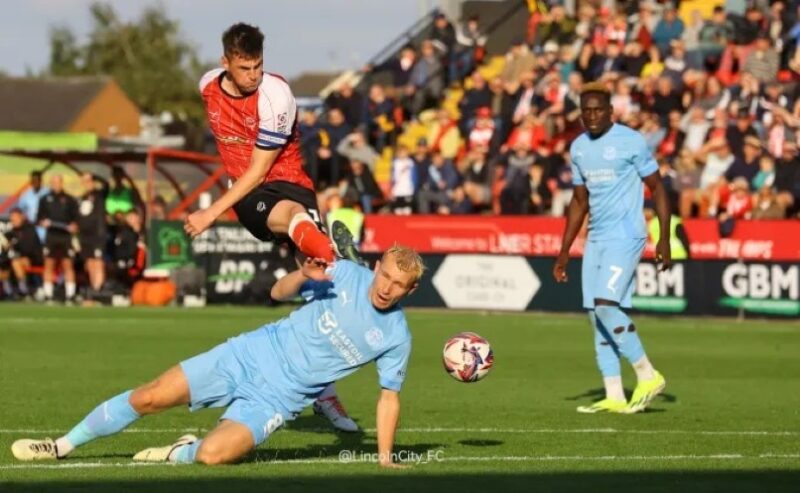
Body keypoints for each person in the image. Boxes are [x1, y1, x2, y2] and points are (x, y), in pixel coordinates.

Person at [11, 246, 424, 468]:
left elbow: (389, 397)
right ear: (375, 266)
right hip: (245, 355)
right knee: (149, 397)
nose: (386, 287)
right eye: (385, 275)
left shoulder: (395, 336)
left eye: (398, 284)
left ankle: (182, 451)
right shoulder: (345, 274)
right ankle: (61, 445)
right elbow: (277, 294)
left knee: (214, 456)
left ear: (410, 291)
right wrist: (302, 276)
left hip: (279, 400)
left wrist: (385, 460)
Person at [188, 23, 363, 430]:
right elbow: (250, 177)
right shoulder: (207, 86)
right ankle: (340, 260)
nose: (253, 75)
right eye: (245, 67)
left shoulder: (276, 96)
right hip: (250, 193)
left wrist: (209, 212)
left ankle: (324, 393)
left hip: (286, 180)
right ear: (225, 63)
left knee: (322, 297)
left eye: (259, 66)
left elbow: (263, 167)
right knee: (298, 223)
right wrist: (217, 210)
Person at [553, 82, 671, 414]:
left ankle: (648, 374)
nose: (591, 115)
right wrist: (564, 251)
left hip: (626, 234)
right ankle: (615, 394)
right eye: (585, 110)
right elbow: (579, 202)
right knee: (595, 314)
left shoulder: (631, 141)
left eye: (597, 109)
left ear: (610, 111)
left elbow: (658, 187)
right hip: (597, 238)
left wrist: (662, 237)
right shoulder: (577, 148)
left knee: (606, 304)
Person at [37, 175, 79, 303]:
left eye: (58, 182)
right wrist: (42, 223)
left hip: (65, 237)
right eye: (53, 182)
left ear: (62, 183)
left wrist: (74, 226)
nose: (56, 184)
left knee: (68, 264)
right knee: (49, 263)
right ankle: (48, 294)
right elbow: (39, 218)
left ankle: (70, 294)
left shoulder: (69, 200)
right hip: (51, 236)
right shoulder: (45, 199)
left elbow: (76, 219)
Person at [77, 172, 108, 297]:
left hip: (97, 234)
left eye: (89, 181)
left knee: (98, 261)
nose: (87, 184)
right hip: (85, 235)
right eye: (85, 182)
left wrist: (94, 176)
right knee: (89, 262)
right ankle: (93, 286)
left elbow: (106, 184)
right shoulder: (82, 198)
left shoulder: (99, 195)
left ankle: (98, 288)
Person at [1, 208, 43, 299]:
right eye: (12, 218)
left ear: (22, 217)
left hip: (31, 259)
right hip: (12, 259)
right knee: (3, 266)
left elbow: (29, 249)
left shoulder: (29, 230)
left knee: (15, 262)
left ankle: (24, 291)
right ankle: (8, 292)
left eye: (15, 217)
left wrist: (15, 245)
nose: (13, 220)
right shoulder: (10, 231)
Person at [16, 170, 49, 242]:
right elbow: (19, 210)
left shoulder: (48, 192)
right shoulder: (26, 195)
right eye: (33, 180)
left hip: (45, 228)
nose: (35, 182)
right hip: (31, 227)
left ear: (41, 180)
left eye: (37, 180)